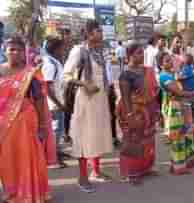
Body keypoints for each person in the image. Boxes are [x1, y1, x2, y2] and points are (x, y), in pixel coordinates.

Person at [0, 35, 52, 203]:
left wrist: (43, 125)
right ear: (5, 51)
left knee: (27, 156)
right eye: (11, 49)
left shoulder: (31, 73)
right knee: (7, 157)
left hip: (25, 122)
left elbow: (39, 99)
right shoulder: (0, 70)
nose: (15, 53)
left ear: (24, 53)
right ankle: (11, 191)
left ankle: (31, 193)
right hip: (3, 123)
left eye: (19, 50)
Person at [64, 19, 113, 193]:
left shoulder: (101, 51)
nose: (102, 34)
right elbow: (67, 75)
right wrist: (85, 84)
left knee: (97, 135)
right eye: (99, 31)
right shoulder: (79, 51)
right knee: (84, 138)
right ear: (89, 33)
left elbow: (106, 74)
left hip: (100, 99)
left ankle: (96, 171)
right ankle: (82, 178)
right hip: (85, 100)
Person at [117, 43, 160, 185]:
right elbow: (125, 97)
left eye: (142, 53)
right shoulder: (126, 74)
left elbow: (154, 91)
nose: (142, 56)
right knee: (133, 140)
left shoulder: (147, 70)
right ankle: (131, 172)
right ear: (130, 55)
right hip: (134, 112)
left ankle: (145, 168)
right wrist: (130, 116)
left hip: (148, 112)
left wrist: (156, 110)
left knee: (147, 140)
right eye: (138, 53)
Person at [159, 52, 194, 175]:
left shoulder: (171, 75)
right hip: (173, 108)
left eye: (170, 60)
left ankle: (182, 163)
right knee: (177, 137)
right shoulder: (164, 77)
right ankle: (178, 167)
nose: (170, 62)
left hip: (179, 106)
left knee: (184, 133)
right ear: (160, 65)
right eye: (166, 61)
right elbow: (179, 92)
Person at [42, 35, 68, 168]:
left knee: (58, 130)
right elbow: (47, 88)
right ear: (56, 49)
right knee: (54, 130)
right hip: (53, 104)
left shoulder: (55, 61)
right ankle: (51, 159)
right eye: (62, 48)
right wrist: (58, 104)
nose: (63, 50)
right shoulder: (49, 64)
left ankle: (56, 153)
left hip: (58, 102)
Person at [176, 53, 194, 135]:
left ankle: (188, 126)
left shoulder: (187, 68)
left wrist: (177, 73)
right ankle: (188, 125)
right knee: (187, 108)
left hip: (188, 92)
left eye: (182, 59)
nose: (181, 60)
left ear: (186, 61)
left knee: (186, 108)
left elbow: (180, 78)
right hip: (191, 90)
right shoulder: (190, 67)